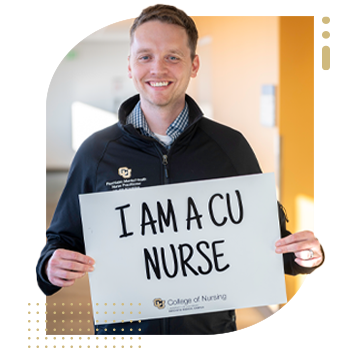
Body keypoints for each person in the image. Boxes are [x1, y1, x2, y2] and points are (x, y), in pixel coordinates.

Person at [38, 5, 325, 335]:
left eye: (172, 56)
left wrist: (306, 255)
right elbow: (61, 240)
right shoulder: (96, 153)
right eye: (145, 56)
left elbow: (271, 245)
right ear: (130, 66)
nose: (157, 68)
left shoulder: (229, 148)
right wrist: (49, 266)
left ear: (194, 64)